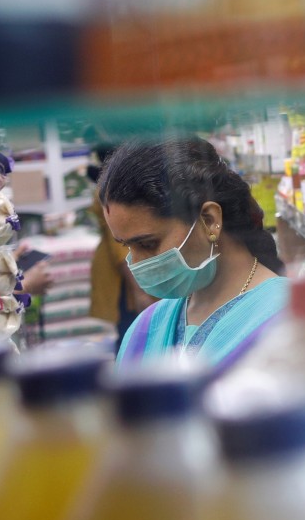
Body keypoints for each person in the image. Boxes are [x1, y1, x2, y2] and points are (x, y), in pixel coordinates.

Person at [97, 136, 289, 372]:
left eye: (148, 244)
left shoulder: (288, 321)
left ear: (209, 220)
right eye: (126, 246)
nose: (135, 263)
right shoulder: (146, 330)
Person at [86, 143, 156, 353]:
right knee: (133, 335)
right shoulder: (115, 188)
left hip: (129, 271)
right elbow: (120, 246)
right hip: (128, 276)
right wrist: (139, 290)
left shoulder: (114, 183)